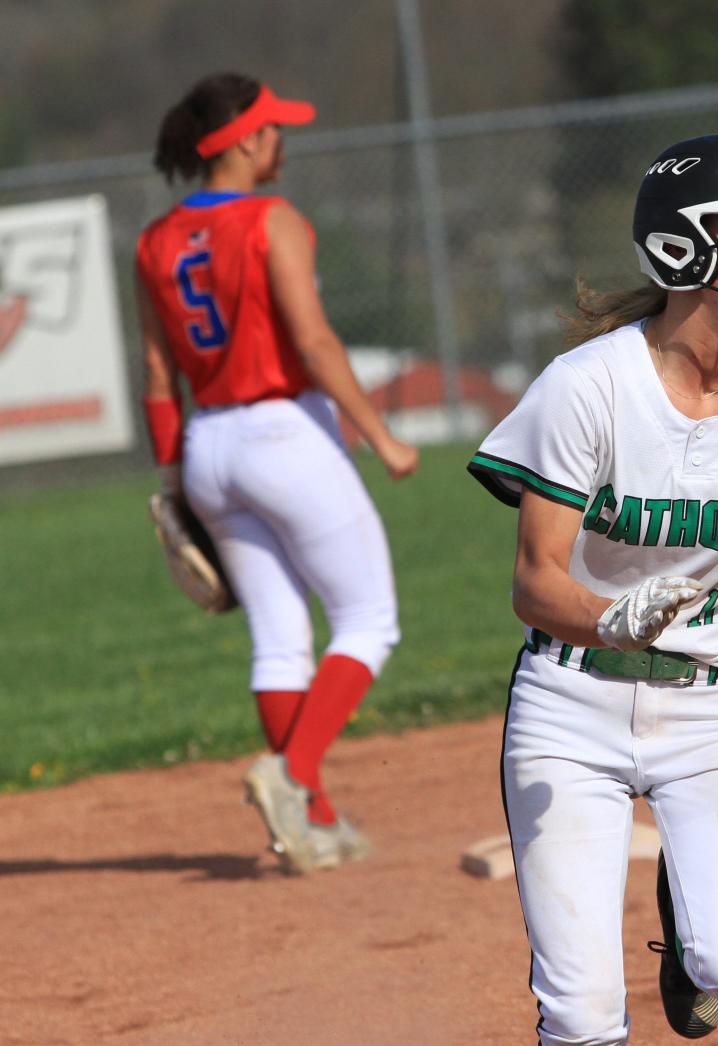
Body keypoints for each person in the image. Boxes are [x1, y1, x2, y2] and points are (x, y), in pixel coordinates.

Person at [467, 133, 718, 1043]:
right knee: (579, 1016)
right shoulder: (590, 387)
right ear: (681, 244)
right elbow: (537, 580)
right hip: (570, 702)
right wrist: (612, 618)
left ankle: (683, 920)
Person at [135, 73, 419, 875]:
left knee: (280, 639)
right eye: (272, 130)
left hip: (207, 449)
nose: (281, 142)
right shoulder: (272, 220)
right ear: (243, 142)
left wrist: (171, 484)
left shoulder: (154, 242)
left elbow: (158, 379)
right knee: (368, 621)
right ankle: (292, 777)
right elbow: (317, 342)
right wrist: (381, 436)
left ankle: (314, 821)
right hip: (282, 432)